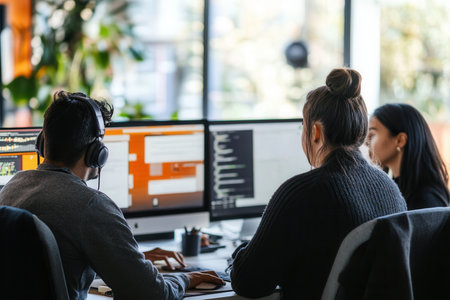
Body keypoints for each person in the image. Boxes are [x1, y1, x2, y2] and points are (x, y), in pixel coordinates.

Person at [0, 91, 224, 300]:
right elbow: (151, 294)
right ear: (96, 153)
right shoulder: (91, 206)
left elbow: (51, 263)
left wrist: (135, 259)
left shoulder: (11, 188)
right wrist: (186, 278)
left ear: (42, 142)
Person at [229, 68, 407, 299]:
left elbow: (248, 283)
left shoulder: (300, 193)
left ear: (315, 132)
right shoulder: (390, 188)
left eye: (303, 126)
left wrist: (241, 251)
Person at [366, 103, 450, 209]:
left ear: (400, 140)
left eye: (371, 135)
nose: (366, 143)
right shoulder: (392, 191)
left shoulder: (427, 201)